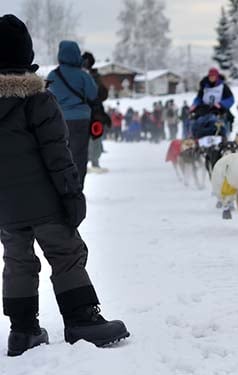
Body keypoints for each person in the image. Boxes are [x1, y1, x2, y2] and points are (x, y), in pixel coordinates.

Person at [0, 14, 129, 356]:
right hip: (45, 202)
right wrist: (72, 194)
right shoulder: (38, 99)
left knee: (17, 261)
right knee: (67, 253)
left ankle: (22, 330)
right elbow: (59, 155)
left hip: (7, 207)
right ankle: (82, 319)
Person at [47, 40, 97, 187]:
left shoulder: (53, 75)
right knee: (79, 155)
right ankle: (77, 186)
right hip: (81, 120)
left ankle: (62, 185)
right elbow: (93, 94)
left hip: (59, 120)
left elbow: (48, 96)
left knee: (61, 153)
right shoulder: (83, 76)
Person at [82, 52, 110, 171]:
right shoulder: (81, 75)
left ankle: (94, 162)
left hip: (93, 113)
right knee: (87, 140)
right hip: (87, 113)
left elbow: (102, 95)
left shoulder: (95, 76)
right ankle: (88, 162)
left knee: (95, 138)